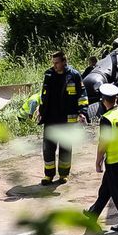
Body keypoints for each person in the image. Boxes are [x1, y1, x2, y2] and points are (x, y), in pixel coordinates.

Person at [86, 83, 118, 232]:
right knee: (107, 187)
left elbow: (104, 142)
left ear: (103, 100)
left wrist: (98, 161)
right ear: (116, 98)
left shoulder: (107, 119)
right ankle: (92, 214)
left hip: (114, 159)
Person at [37, 51, 88, 186]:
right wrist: (41, 111)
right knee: (48, 149)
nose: (54, 66)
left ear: (64, 62)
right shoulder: (49, 75)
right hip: (50, 119)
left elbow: (82, 95)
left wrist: (82, 112)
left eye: (57, 63)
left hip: (67, 119)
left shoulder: (74, 75)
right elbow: (44, 95)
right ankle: (48, 175)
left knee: (65, 148)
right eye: (53, 63)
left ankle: (64, 174)